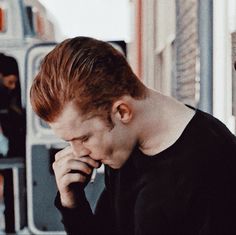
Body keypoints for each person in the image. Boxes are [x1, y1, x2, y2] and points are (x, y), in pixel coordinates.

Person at [30, 37, 236, 235]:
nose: (78, 153)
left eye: (84, 138)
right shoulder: (125, 148)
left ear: (122, 112)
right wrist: (72, 204)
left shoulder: (213, 161)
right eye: (70, 142)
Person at [0, 53, 25, 234]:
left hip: (11, 155)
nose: (13, 87)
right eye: (10, 82)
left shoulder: (11, 99)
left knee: (11, 195)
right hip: (7, 153)